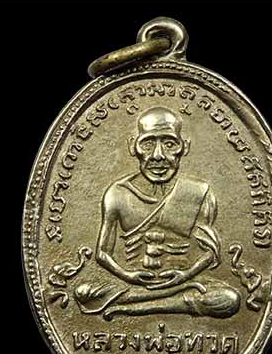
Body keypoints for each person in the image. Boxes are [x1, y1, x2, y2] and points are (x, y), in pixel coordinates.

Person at [74, 107, 240, 320]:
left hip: (182, 281)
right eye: (148, 144)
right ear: (133, 146)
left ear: (184, 146)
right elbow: (103, 253)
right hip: (131, 283)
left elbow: (210, 253)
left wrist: (184, 276)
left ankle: (133, 307)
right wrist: (128, 276)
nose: (158, 155)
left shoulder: (198, 192)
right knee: (84, 293)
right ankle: (164, 302)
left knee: (229, 299)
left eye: (170, 144)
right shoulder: (117, 193)